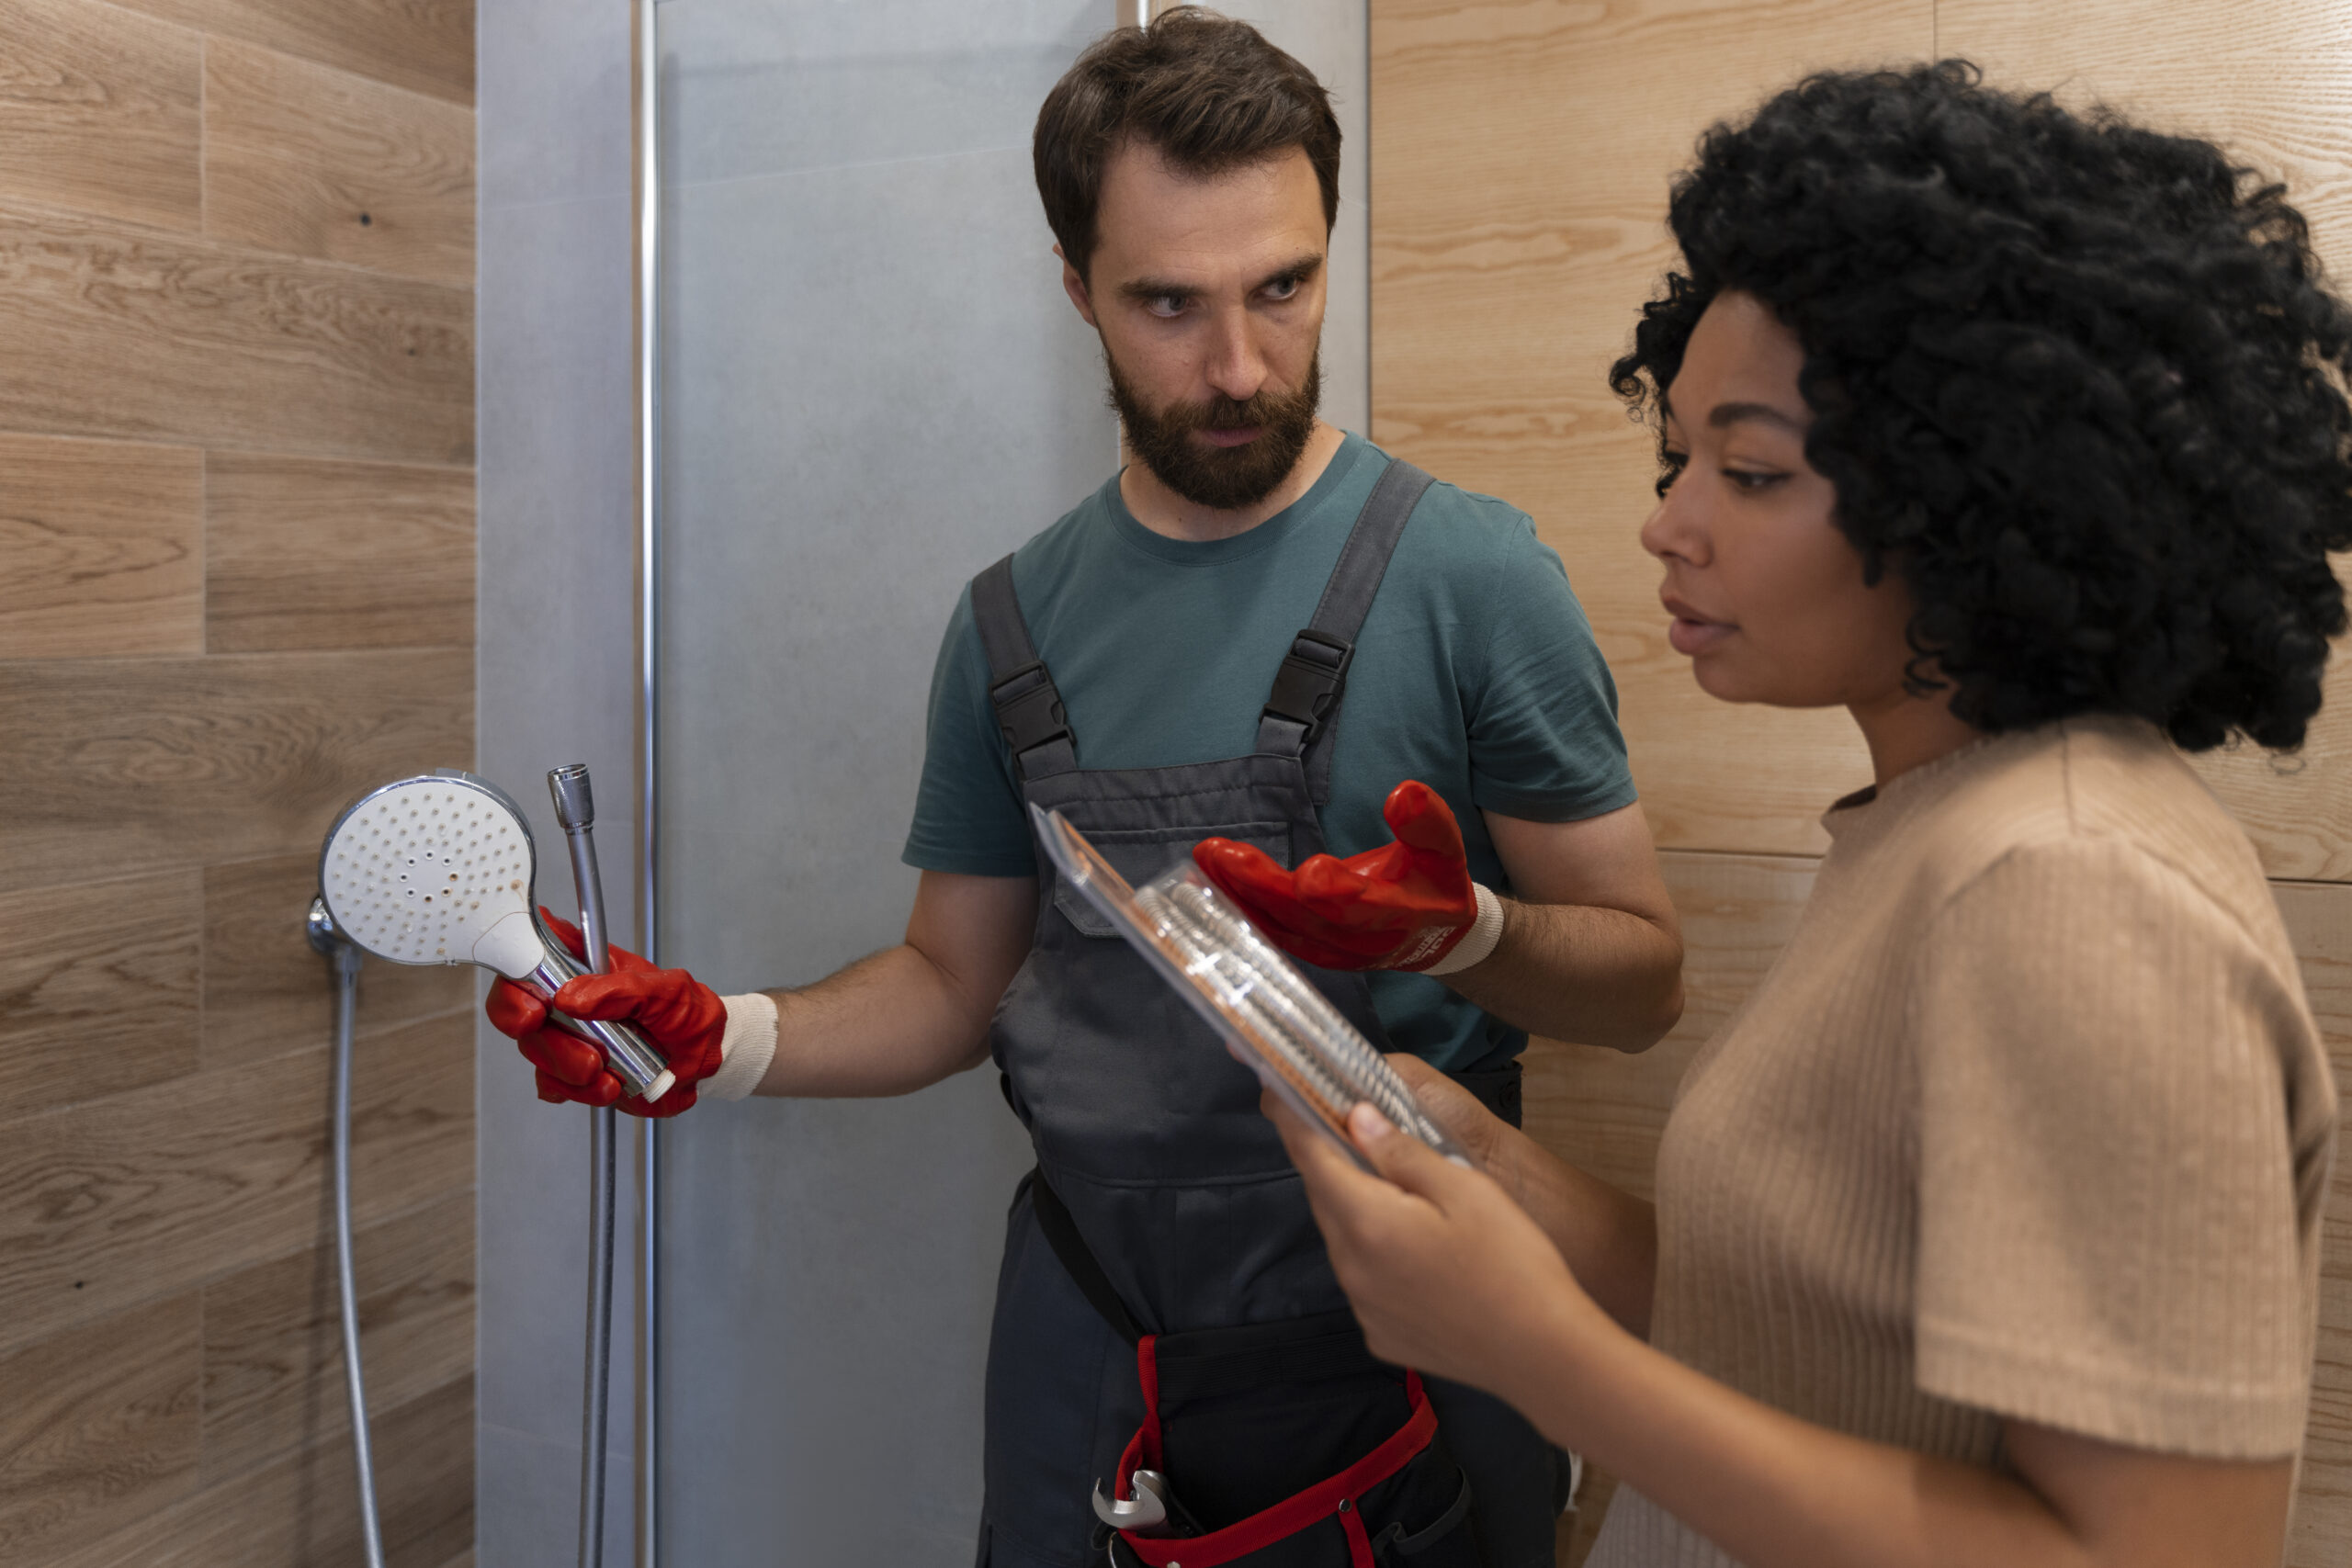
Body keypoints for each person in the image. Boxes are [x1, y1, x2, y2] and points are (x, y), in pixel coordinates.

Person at [488, 12, 1685, 1566]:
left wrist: (1467, 937)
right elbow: (948, 986)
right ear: (1079, 293)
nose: (1241, 364)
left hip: (1412, 1335)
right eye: (1169, 305)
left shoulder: (1470, 578)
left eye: (1284, 288)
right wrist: (731, 1038)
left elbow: (1643, 985)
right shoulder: (1012, 625)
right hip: (1090, 1347)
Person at [1261, 61, 2346, 1568]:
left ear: (1971, 493)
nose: (1669, 522)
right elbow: (1791, 1332)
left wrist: (1541, 1360)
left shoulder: (2077, 881)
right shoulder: (1934, 829)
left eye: (1751, 470)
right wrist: (1479, 1165)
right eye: (1680, 452)